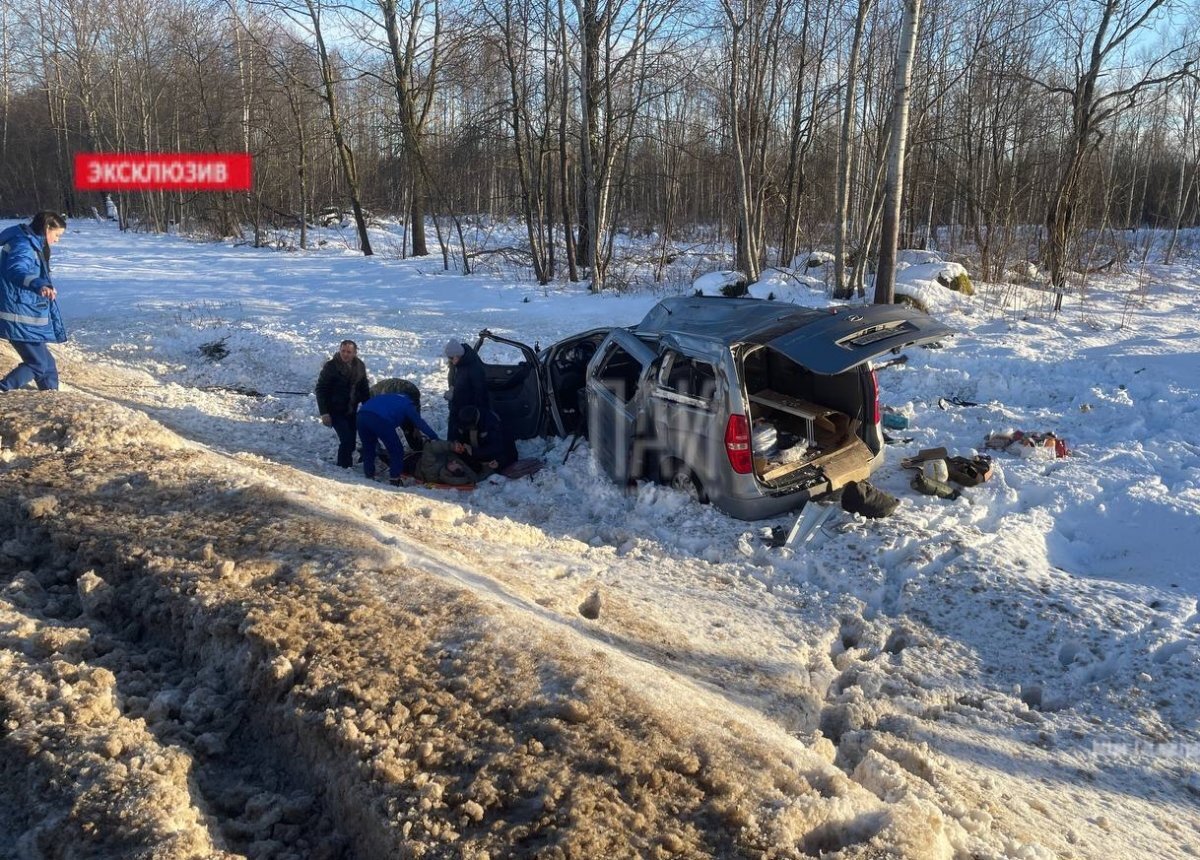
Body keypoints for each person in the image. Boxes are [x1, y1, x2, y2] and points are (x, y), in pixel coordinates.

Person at [1, 212, 68, 391]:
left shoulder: (31, 243)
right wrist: (39, 284)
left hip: (27, 312)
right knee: (38, 364)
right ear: (47, 228)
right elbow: (16, 270)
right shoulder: (23, 244)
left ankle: (51, 396)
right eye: (57, 235)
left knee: (48, 365)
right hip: (19, 316)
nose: (57, 240)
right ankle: (3, 388)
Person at [357, 393, 438, 484]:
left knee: (369, 447)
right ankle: (395, 479)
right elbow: (420, 423)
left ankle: (369, 475)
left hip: (361, 416)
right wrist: (434, 437)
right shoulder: (407, 404)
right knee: (396, 450)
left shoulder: (390, 397)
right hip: (380, 419)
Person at [315, 339, 371, 468]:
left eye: (349, 352)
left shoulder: (360, 366)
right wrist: (324, 413)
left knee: (351, 442)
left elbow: (364, 388)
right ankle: (343, 468)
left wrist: (368, 407)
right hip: (335, 410)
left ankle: (346, 466)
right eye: (343, 351)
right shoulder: (331, 367)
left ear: (355, 353)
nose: (345, 354)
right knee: (346, 440)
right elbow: (320, 389)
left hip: (351, 410)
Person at [452, 405, 517, 476]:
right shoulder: (463, 419)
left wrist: (473, 451)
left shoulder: (491, 422)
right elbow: (457, 433)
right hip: (476, 451)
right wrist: (457, 442)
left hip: (496, 452)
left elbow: (498, 446)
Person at [444, 338, 490, 439]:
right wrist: (452, 388)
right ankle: (451, 446)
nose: (450, 361)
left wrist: (477, 413)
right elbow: (454, 378)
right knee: (453, 429)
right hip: (456, 403)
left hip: (467, 407)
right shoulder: (457, 362)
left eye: (451, 358)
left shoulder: (474, 369)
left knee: (463, 433)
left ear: (457, 355)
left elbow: (480, 392)